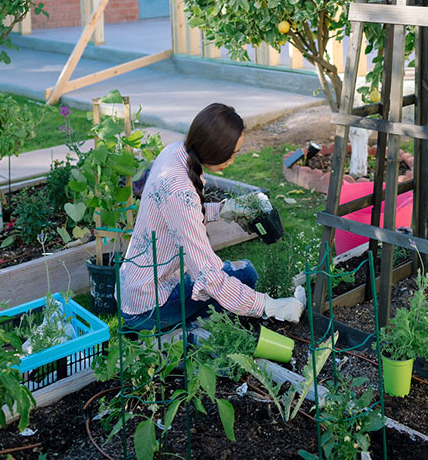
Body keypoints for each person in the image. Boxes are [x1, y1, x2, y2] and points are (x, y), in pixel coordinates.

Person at [119, 102, 305, 333]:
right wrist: (269, 306)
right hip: (148, 309)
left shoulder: (176, 152)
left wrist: (225, 209)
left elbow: (180, 214)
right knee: (245, 276)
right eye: (232, 154)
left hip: (138, 287)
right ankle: (197, 330)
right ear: (214, 149)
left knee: (240, 275)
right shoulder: (180, 190)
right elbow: (209, 277)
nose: (233, 160)